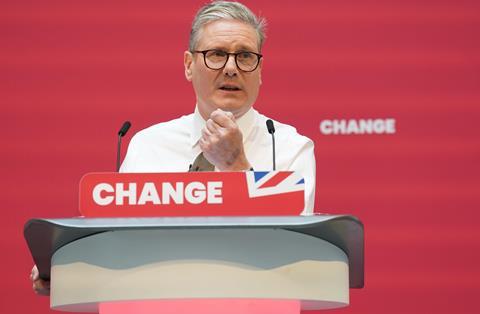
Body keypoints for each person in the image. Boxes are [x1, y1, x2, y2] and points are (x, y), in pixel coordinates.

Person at [32, 0, 315, 296]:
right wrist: (69, 266)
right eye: (216, 54)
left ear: (260, 71)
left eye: (245, 56)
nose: (231, 68)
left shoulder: (288, 148)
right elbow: (117, 243)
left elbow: (296, 254)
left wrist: (236, 167)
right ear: (189, 66)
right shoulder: (147, 146)